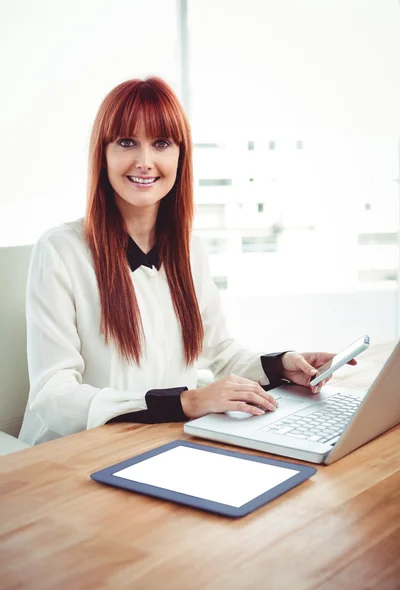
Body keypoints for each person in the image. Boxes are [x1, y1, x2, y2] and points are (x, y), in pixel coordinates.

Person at [18, 77, 355, 446]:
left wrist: (282, 365)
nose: (144, 162)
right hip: (72, 455)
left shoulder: (190, 250)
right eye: (126, 142)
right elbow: (53, 395)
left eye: (161, 143)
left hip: (160, 444)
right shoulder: (60, 250)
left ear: (180, 154)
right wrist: (184, 402)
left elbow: (221, 353)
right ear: (103, 154)